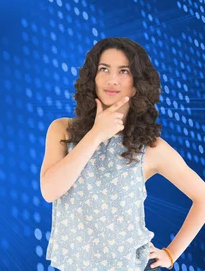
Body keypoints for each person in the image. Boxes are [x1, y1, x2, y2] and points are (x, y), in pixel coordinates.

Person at [40, 37, 205, 271]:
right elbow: (50, 191)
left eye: (124, 71)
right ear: (92, 78)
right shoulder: (62, 129)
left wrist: (171, 253)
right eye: (104, 69)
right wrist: (96, 133)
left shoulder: (150, 147)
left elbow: (203, 198)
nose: (112, 79)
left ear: (137, 83)